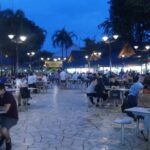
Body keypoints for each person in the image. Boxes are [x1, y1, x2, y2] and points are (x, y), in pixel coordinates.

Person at [0, 83, 18, 150]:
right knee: (1, 132)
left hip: (11, 117)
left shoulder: (8, 95)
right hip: (2, 116)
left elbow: (5, 110)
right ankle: (2, 138)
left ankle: (8, 141)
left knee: (4, 130)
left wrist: (2, 107)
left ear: (2, 90)